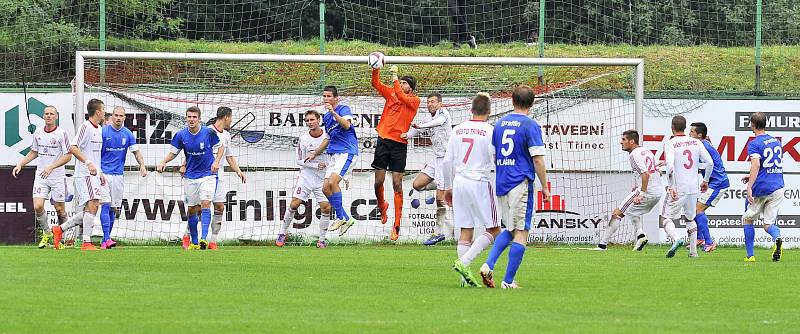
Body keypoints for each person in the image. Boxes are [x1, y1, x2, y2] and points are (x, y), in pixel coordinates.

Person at [480, 86, 549, 289]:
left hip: (502, 181)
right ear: (532, 103)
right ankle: (508, 282)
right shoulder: (530, 125)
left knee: (509, 230)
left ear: (512, 101)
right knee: (521, 232)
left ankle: (488, 264)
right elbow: (537, 160)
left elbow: (495, 154)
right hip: (520, 182)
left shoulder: (499, 124)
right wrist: (545, 187)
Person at [442, 93, 498, 287]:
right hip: (480, 181)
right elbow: (497, 159)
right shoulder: (491, 131)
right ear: (489, 112)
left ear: (471, 110)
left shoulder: (457, 130)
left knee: (466, 229)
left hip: (459, 181)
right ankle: (464, 262)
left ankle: (463, 281)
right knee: (495, 229)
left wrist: (447, 186)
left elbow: (447, 161)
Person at [157, 106, 225, 250]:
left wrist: (216, 161)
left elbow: (221, 147)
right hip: (190, 176)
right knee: (192, 209)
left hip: (208, 175)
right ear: (186, 118)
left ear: (199, 119)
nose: (192, 119)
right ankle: (194, 242)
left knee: (206, 203)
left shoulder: (208, 132)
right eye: (189, 117)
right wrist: (163, 161)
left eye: (194, 117)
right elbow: (174, 152)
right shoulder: (181, 135)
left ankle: (204, 239)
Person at [180, 107, 247, 250]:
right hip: (204, 174)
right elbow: (192, 152)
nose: (231, 120)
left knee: (220, 207)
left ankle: (213, 240)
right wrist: (184, 164)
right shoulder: (207, 130)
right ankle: (187, 236)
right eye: (231, 117)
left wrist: (238, 171)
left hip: (219, 176)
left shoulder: (227, 136)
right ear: (226, 117)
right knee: (198, 208)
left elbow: (228, 156)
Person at [371, 65, 420, 241]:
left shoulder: (414, 101)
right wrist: (375, 68)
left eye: (405, 83)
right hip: (383, 140)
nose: (401, 84)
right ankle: (382, 205)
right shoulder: (392, 92)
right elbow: (375, 83)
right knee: (378, 181)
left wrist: (394, 77)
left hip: (399, 144)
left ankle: (396, 225)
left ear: (411, 89)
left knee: (397, 184)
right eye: (401, 82)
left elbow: (400, 94)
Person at [12, 106, 72, 248]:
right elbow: (34, 152)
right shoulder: (38, 132)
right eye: (46, 114)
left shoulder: (61, 133)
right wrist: (20, 164)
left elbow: (68, 155)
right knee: (38, 206)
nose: (49, 116)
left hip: (57, 176)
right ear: (43, 116)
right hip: (41, 176)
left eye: (51, 114)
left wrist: (52, 166)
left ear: (56, 116)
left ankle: (60, 239)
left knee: (60, 209)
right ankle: (47, 233)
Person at [52, 99, 106, 250]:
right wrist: (88, 163)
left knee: (91, 208)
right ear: (98, 112)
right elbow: (73, 147)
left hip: (94, 174)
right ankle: (86, 242)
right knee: (93, 204)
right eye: (103, 109)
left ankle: (60, 229)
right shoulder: (85, 127)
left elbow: (95, 155)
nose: (104, 112)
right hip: (84, 174)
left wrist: (99, 172)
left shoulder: (99, 129)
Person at [595, 130, 662, 252]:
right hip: (657, 192)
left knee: (617, 213)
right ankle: (641, 235)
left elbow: (645, 173)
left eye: (624, 139)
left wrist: (641, 192)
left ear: (632, 141)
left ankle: (602, 245)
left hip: (647, 191)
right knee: (632, 212)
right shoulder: (646, 151)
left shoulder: (634, 155)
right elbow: (652, 170)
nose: (621, 142)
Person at [306, 86, 359, 237]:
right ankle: (346, 219)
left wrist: (333, 112)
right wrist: (315, 153)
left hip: (347, 152)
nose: (326, 99)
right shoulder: (327, 117)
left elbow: (347, 125)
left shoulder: (343, 109)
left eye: (329, 96)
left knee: (333, 183)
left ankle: (340, 217)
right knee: (325, 188)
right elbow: (328, 138)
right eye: (324, 96)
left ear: (336, 98)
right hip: (334, 155)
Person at [401, 93, 453, 245]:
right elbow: (415, 132)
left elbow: (438, 122)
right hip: (436, 159)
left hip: (447, 159)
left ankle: (438, 232)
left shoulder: (443, 114)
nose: (430, 104)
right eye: (428, 102)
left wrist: (420, 126)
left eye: (433, 102)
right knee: (417, 185)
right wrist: (405, 135)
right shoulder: (427, 117)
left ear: (440, 104)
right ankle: (446, 185)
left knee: (439, 199)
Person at [662, 115, 713, 258]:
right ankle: (693, 252)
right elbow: (709, 162)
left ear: (672, 127)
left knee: (665, 217)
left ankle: (676, 239)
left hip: (679, 187)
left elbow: (670, 167)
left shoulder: (671, 143)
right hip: (693, 187)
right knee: (690, 219)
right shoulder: (695, 142)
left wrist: (671, 186)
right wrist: (706, 181)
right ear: (685, 127)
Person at [279, 110, 332, 248]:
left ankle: (321, 240)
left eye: (312, 120)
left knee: (326, 208)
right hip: (307, 176)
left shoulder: (328, 136)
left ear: (319, 120)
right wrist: (315, 165)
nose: (310, 123)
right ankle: (282, 233)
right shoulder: (303, 139)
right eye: (307, 120)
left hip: (323, 178)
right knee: (294, 204)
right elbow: (299, 161)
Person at [98, 106, 148, 249]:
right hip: (104, 174)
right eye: (116, 115)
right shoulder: (103, 132)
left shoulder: (128, 134)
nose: (119, 118)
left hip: (118, 176)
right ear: (111, 116)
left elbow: (136, 152)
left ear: (125, 118)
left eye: (121, 115)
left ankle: (104, 240)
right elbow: (95, 152)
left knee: (114, 208)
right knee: (106, 205)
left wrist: (142, 165)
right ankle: (107, 238)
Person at [741, 112, 784, 262]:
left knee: (747, 219)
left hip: (763, 188)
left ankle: (750, 256)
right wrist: (750, 175)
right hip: (778, 186)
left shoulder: (754, 143)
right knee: (768, 224)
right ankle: (777, 237)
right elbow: (768, 165)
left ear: (752, 125)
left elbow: (757, 164)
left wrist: (750, 186)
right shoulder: (776, 141)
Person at [688, 122, 729, 252]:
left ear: (699, 135)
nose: (689, 134)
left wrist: (705, 181)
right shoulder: (703, 143)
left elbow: (706, 163)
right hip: (714, 182)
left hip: (718, 183)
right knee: (695, 209)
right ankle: (700, 239)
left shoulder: (703, 146)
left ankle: (709, 242)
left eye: (692, 132)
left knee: (698, 210)